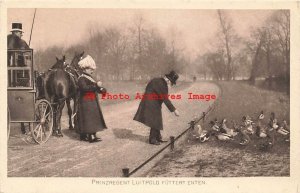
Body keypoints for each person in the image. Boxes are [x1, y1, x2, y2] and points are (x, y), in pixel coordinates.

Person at [133, 70, 180, 145]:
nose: (171, 85)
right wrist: (174, 110)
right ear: (168, 80)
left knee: (157, 119)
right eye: (171, 83)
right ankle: (153, 139)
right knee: (155, 120)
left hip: (150, 102)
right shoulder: (162, 85)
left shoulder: (157, 80)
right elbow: (166, 99)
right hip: (151, 103)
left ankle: (158, 137)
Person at [76, 55, 107, 143]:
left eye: (92, 69)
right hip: (85, 102)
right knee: (89, 118)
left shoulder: (89, 78)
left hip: (91, 101)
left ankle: (92, 134)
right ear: (85, 69)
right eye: (90, 69)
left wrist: (102, 90)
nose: (92, 70)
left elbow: (94, 88)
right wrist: (96, 85)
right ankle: (89, 135)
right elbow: (85, 88)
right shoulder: (81, 78)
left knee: (93, 117)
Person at [7, 23, 29, 134]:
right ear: (18, 32)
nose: (20, 35)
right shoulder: (22, 43)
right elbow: (27, 57)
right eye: (20, 33)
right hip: (20, 76)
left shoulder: (6, 40)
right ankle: (24, 122)